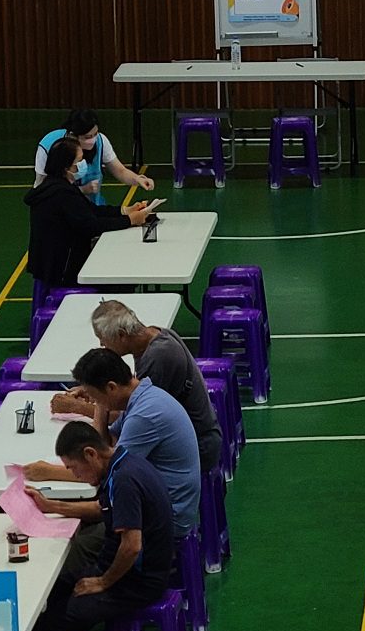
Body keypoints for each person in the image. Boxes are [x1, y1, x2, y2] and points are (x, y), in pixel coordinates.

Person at [27, 421, 176, 631]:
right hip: (123, 569)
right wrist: (51, 506)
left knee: (51, 629)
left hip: (139, 581)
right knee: (56, 588)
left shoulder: (124, 481)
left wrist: (103, 582)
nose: (75, 476)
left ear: (90, 454)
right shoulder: (123, 464)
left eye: (73, 468)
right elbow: (102, 509)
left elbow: (132, 547)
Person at [31, 348, 200, 532]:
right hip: (157, 502)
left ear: (111, 387)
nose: (92, 401)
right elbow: (104, 445)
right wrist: (101, 406)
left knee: (78, 539)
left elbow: (105, 469)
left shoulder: (144, 416)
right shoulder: (142, 398)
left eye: (94, 397)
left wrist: (48, 475)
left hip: (165, 519)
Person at [59, 299, 221, 476]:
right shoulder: (154, 337)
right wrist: (94, 388)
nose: (102, 345)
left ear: (121, 335)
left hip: (199, 447)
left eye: (103, 339)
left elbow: (131, 415)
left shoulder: (159, 358)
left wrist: (79, 407)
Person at [24, 135, 150, 299]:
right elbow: (90, 225)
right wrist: (130, 220)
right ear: (67, 166)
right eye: (79, 160)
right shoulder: (62, 194)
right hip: (63, 269)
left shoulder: (58, 186)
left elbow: (91, 210)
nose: (83, 163)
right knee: (123, 280)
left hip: (54, 263)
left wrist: (125, 210)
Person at [34, 109, 152, 204]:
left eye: (95, 134)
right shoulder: (49, 145)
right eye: (87, 137)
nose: (93, 140)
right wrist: (81, 190)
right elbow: (42, 188)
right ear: (73, 135)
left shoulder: (101, 141)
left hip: (91, 209)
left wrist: (137, 179)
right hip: (60, 211)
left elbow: (120, 171)